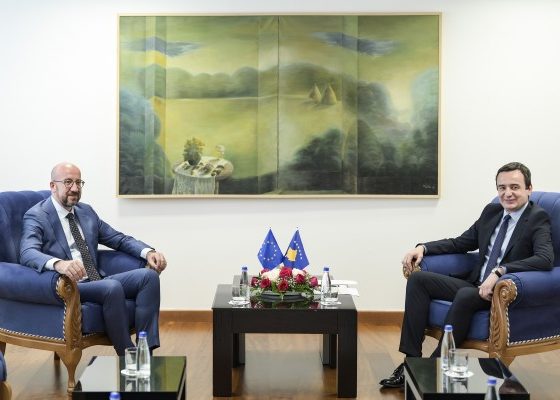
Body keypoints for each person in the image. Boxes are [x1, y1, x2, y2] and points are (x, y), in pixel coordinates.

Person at [380, 162, 554, 389]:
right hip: (474, 284)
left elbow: (545, 258)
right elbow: (461, 243)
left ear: (529, 189)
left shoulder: (537, 218)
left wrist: (500, 271)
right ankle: (410, 363)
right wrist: (424, 247)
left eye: (515, 187)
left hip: (502, 292)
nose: (507, 193)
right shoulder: (492, 212)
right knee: (418, 280)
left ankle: (433, 366)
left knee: (464, 294)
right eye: (502, 188)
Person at [20, 162, 167, 355]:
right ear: (53, 186)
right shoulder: (37, 215)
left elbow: (118, 239)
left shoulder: (86, 212)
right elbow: (27, 253)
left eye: (78, 182)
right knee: (111, 287)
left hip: (96, 279)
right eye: (68, 182)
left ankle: (145, 351)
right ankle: (126, 354)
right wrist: (59, 264)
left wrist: (147, 252)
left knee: (149, 277)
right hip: (69, 285)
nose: (75, 188)